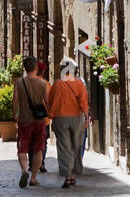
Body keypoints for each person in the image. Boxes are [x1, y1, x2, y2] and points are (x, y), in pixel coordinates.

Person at [48, 57, 90, 187]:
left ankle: (67, 176)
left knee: (64, 147)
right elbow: (83, 101)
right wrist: (86, 116)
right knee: (76, 146)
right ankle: (73, 175)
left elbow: (51, 102)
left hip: (60, 118)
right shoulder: (78, 84)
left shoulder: (57, 84)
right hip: (76, 117)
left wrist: (51, 117)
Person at [12, 55, 51, 188]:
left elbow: (15, 101)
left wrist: (15, 115)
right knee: (38, 149)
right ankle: (33, 178)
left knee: (22, 148)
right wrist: (50, 115)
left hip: (24, 120)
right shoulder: (43, 84)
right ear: (35, 67)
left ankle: (24, 170)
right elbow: (47, 102)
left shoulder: (19, 83)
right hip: (40, 121)